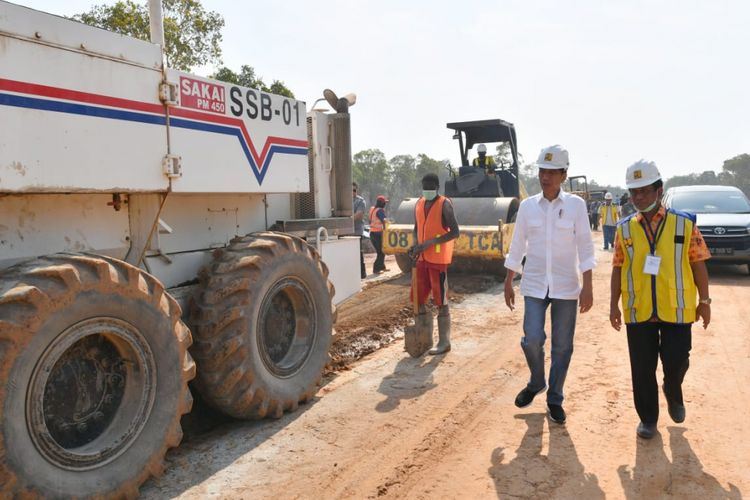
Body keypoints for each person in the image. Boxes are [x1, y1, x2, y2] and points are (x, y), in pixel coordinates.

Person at [609, 160, 711, 440]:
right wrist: (613, 305)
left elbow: (699, 263)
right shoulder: (624, 229)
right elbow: (618, 267)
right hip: (638, 308)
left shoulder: (684, 223)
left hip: (676, 309)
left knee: (677, 360)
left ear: (659, 190)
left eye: (644, 191)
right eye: (634, 192)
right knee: (641, 368)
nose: (638, 198)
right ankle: (648, 419)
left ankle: (673, 389)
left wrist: (705, 301)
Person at [503, 145, 595, 424]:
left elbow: (586, 246)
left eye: (552, 172)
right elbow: (517, 244)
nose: (545, 177)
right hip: (533, 283)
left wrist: (588, 285)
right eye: (542, 171)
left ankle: (555, 398)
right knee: (532, 338)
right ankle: (536, 382)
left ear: (563, 175)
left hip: (566, 285)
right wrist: (508, 279)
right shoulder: (528, 207)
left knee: (563, 346)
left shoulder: (576, 206)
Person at [408, 173, 460, 355]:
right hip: (421, 259)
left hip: (437, 261)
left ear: (437, 187)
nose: (427, 191)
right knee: (417, 298)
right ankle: (424, 338)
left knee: (441, 300)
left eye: (431, 188)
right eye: (425, 187)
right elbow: (416, 227)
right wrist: (414, 245)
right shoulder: (419, 203)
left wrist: (429, 243)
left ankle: (444, 341)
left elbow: (455, 232)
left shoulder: (445, 204)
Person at [369, 195, 390, 274]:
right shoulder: (380, 210)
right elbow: (384, 220)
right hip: (377, 233)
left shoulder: (372, 209)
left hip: (372, 233)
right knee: (381, 252)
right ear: (381, 203)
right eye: (384, 202)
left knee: (381, 251)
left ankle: (382, 267)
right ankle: (376, 269)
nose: (385, 204)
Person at [352, 182, 367, 279]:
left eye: (354, 190)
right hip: (347, 232)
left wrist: (345, 221)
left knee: (358, 253)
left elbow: (359, 215)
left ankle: (362, 275)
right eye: (350, 190)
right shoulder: (344, 201)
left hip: (357, 231)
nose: (352, 192)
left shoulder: (360, 201)